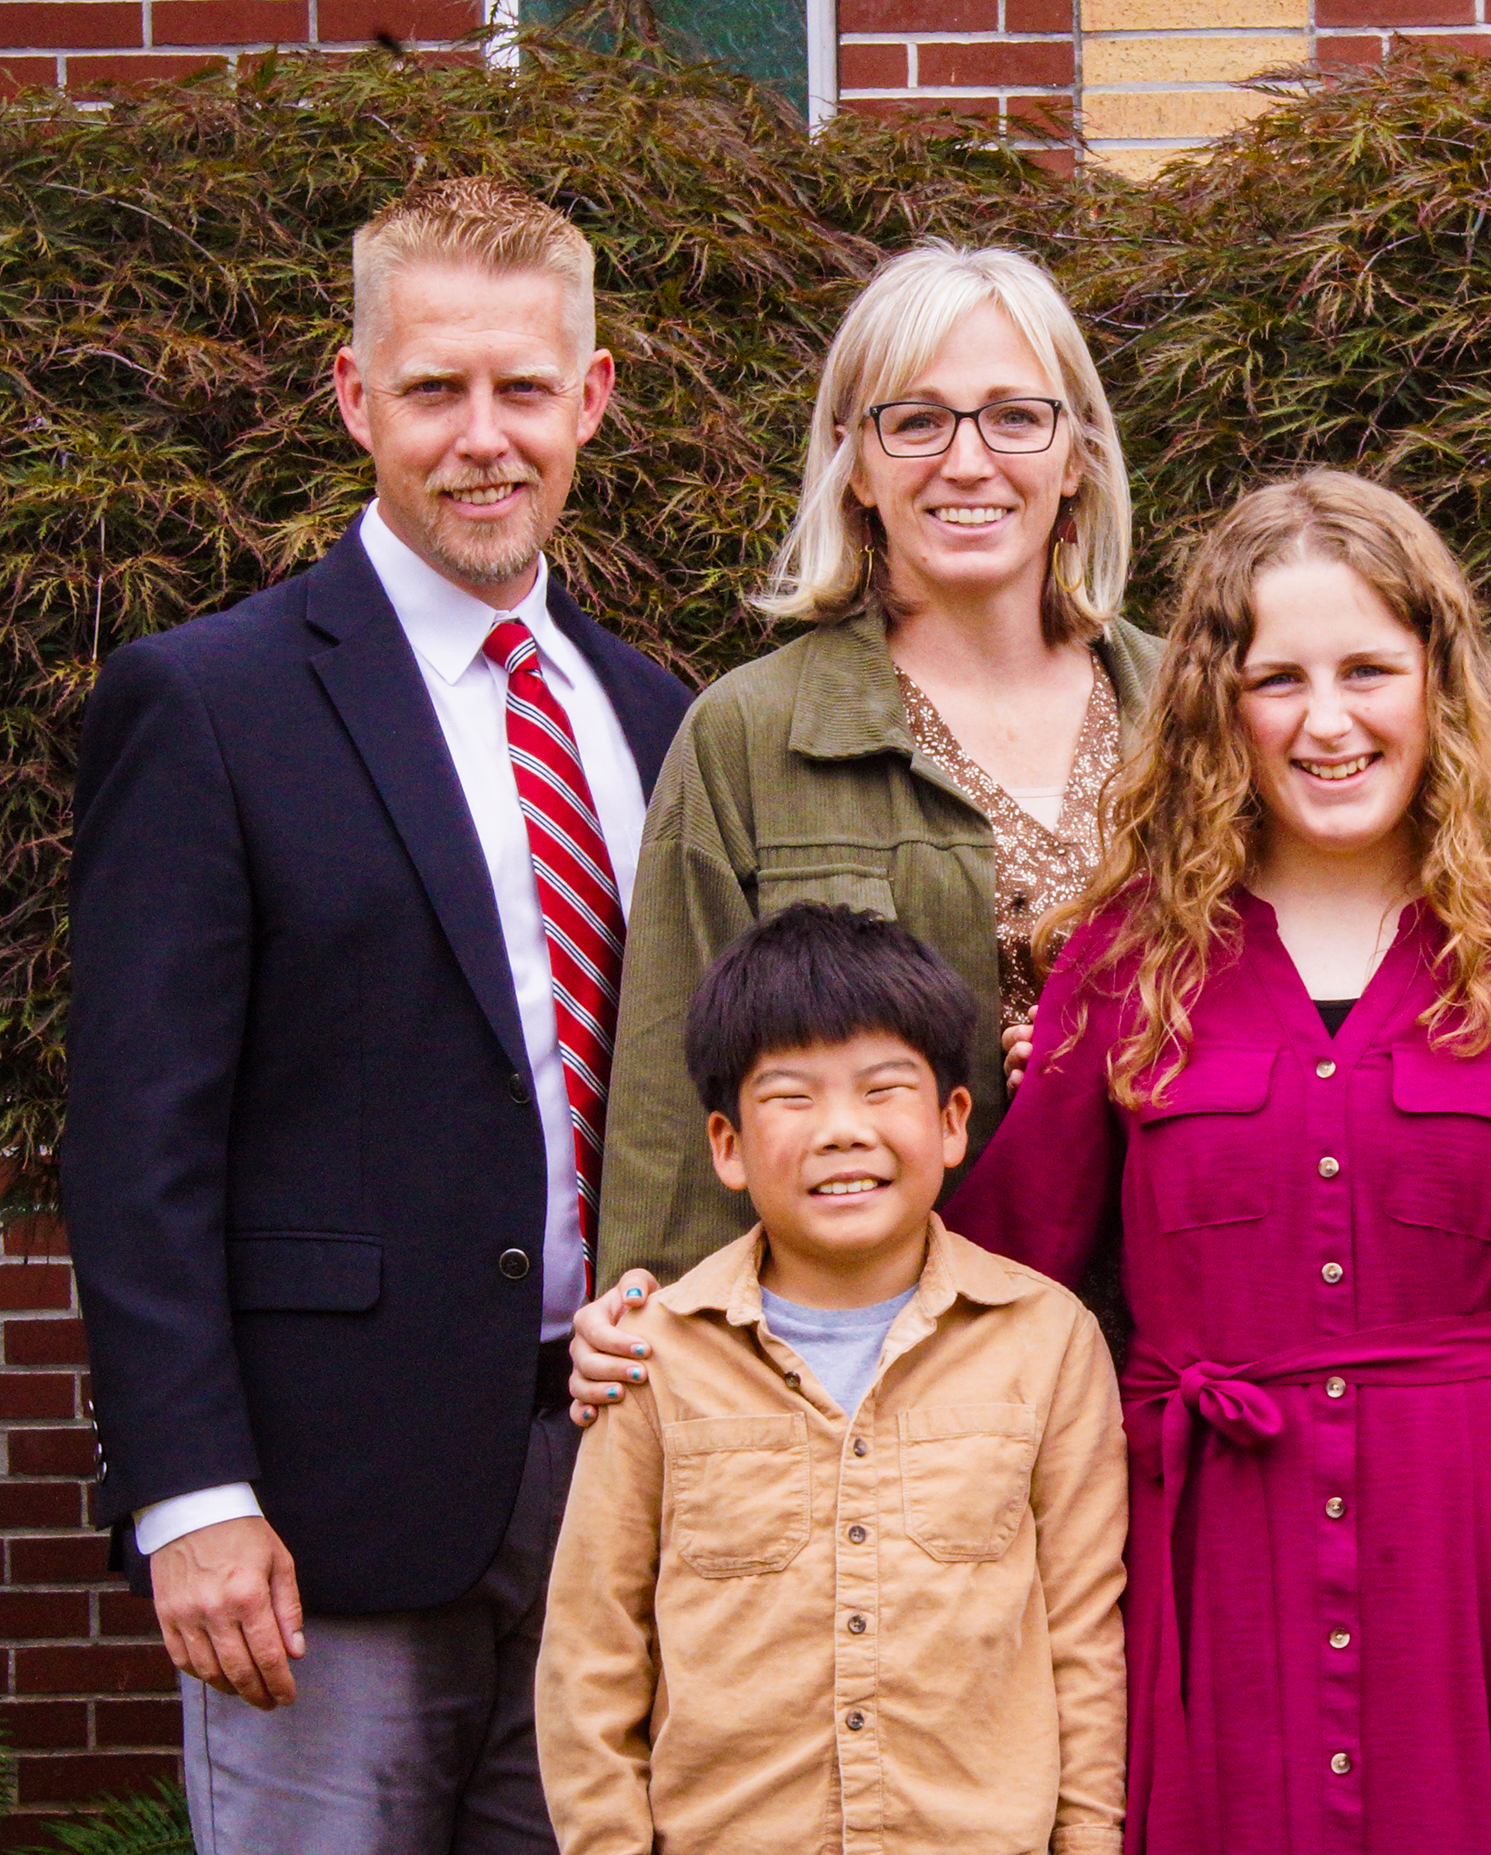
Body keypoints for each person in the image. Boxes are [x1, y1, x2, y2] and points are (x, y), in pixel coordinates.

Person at [944, 469, 1491, 1855]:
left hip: (1485, 1586)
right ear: (1216, 705)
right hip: (1205, 1594)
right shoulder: (1126, 962)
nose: (1326, 720)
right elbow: (993, 1288)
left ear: (1435, 681)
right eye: (1277, 679)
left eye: (1367, 669)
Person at [62, 178, 692, 1852]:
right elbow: (134, 1143)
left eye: (521, 388)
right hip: (319, 1515)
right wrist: (190, 1493)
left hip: (613, 1488)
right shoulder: (211, 702)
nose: (482, 437)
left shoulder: (652, 716)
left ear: (589, 397)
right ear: (356, 397)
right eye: (433, 390)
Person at [582, 239, 1157, 1312]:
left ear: (1076, 452)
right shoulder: (749, 738)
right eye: (917, 420)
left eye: (1015, 416)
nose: (968, 461)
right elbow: (678, 1117)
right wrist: (666, 1334)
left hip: (1187, 1344)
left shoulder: (1194, 715)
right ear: (854, 460)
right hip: (871, 1363)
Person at [536, 903, 1127, 1855]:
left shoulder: (1047, 1342)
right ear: (727, 1144)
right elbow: (592, 1654)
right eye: (792, 1097)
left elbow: (1085, 1641)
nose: (843, 1130)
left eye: (883, 1089)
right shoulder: (655, 1357)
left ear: (952, 1122)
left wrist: (1089, 1840)